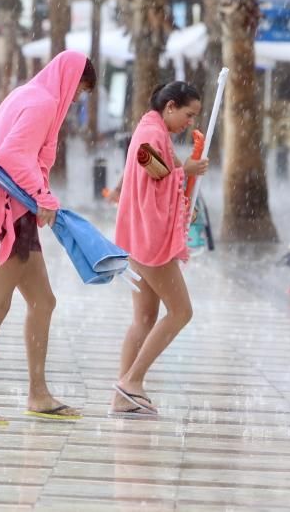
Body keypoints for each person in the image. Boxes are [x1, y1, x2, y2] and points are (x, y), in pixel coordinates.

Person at [0, 50, 96, 425]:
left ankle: (38, 394)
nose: (77, 98)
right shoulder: (44, 102)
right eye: (80, 89)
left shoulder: (25, 94)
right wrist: (44, 195)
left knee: (43, 301)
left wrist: (38, 198)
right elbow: (11, 155)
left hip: (15, 212)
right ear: (70, 78)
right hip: (7, 216)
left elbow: (17, 154)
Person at [110, 82, 208, 417]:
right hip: (150, 239)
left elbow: (155, 181)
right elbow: (155, 176)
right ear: (170, 106)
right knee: (181, 312)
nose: (189, 122)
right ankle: (132, 381)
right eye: (188, 114)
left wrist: (182, 199)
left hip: (137, 235)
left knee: (145, 317)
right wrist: (185, 172)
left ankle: (122, 396)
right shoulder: (151, 136)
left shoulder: (150, 130)